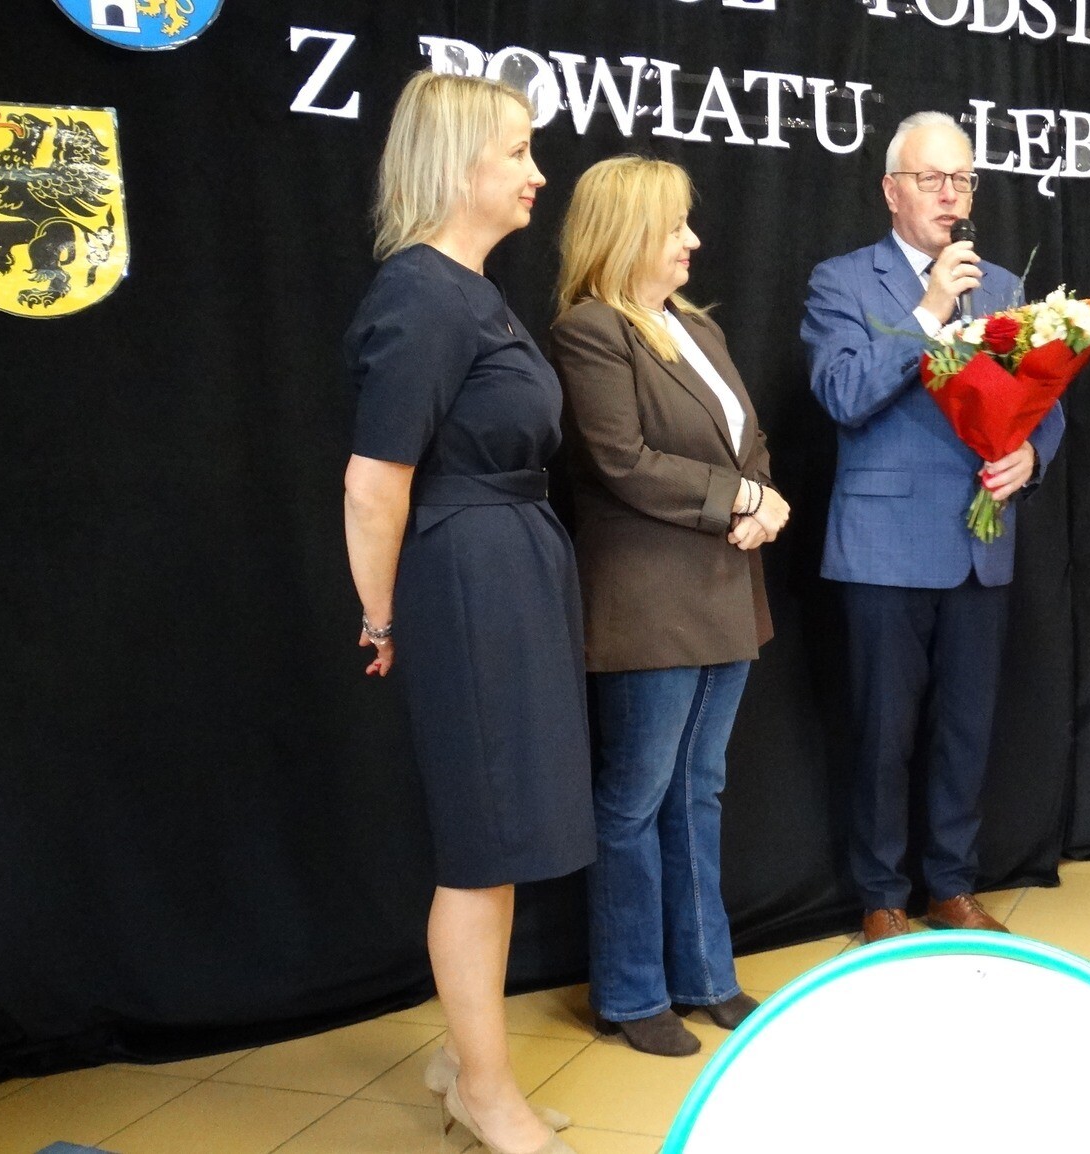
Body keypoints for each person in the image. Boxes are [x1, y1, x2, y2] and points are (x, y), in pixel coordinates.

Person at [341, 72, 586, 1154]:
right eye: (518, 151)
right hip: (467, 581)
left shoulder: (466, 290)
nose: (537, 172)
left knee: (500, 837)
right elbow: (373, 481)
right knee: (481, 847)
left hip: (506, 569)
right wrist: (381, 617)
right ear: (456, 163)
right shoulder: (423, 294)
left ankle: (463, 1061)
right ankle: (486, 1096)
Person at [801, 111, 1065, 943]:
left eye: (963, 180)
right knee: (883, 735)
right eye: (932, 179)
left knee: (966, 730)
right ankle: (882, 896)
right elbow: (843, 394)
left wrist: (1031, 457)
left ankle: (952, 885)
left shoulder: (1003, 286)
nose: (951, 195)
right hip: (884, 549)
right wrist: (928, 311)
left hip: (979, 543)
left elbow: (1047, 399)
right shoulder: (844, 282)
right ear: (892, 190)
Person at [547, 157, 787, 1057]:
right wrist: (742, 500)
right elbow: (621, 460)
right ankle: (630, 992)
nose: (693, 240)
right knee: (635, 801)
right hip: (647, 605)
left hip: (726, 591)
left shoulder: (696, 327)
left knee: (699, 792)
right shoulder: (590, 331)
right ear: (626, 233)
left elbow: (748, 441)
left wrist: (763, 499)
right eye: (674, 226)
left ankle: (706, 978)